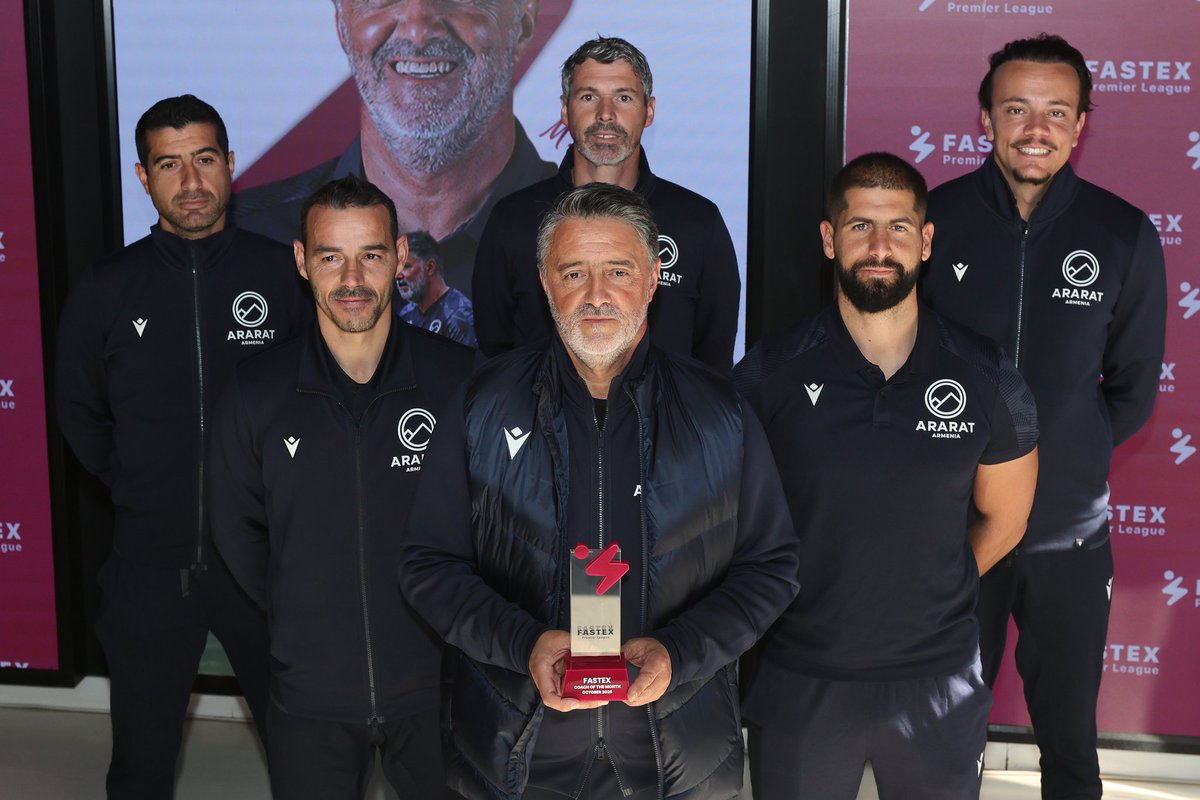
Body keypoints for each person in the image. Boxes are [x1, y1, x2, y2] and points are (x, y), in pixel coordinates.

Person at [399, 183, 799, 800]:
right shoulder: (482, 405)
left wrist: (679, 651)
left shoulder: (721, 414)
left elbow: (771, 569)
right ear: (543, 280)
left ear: (653, 277)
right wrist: (523, 643)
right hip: (518, 756)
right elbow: (429, 567)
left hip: (676, 758)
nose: (596, 295)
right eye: (573, 272)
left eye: (618, 270)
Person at [734, 152, 1040, 799]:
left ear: (926, 241)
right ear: (829, 238)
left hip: (938, 679)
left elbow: (1007, 518)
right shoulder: (771, 374)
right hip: (800, 677)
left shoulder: (986, 376)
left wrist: (928, 585)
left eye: (898, 227)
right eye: (859, 226)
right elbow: (733, 520)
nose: (879, 246)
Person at [921, 34, 1167, 799]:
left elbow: (1130, 390)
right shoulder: (932, 221)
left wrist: (1063, 454)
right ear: (985, 119)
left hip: (1069, 535)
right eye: (1017, 109)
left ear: (1081, 122)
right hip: (951, 533)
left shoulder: (1122, 233)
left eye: (1056, 112)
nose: (1036, 127)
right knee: (941, 735)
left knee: (1070, 740)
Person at [55, 94, 311, 798]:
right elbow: (77, 409)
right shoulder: (108, 288)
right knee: (139, 763)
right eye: (169, 164)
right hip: (149, 566)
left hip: (264, 566)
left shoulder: (283, 275)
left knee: (306, 759)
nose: (190, 180)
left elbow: (320, 402)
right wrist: (139, 484)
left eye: (204, 160)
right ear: (143, 177)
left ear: (230, 165)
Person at [210, 175, 474, 798]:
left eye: (372, 256)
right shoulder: (257, 391)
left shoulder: (459, 380)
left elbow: (491, 524)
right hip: (310, 695)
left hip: (441, 689)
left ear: (401, 258)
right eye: (331, 256)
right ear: (302, 261)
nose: (352, 278)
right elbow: (237, 533)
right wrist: (305, 614)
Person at [231, 0, 556, 301]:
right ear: (342, 24)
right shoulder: (240, 241)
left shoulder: (598, 234)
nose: (417, 29)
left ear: (524, 23)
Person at [472, 36, 741, 371]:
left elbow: (712, 365)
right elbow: (494, 354)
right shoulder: (513, 220)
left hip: (667, 422)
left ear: (649, 110)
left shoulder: (698, 223)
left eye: (624, 98)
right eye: (588, 97)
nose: (606, 115)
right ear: (564, 110)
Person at [396, 230, 477, 347]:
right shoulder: (407, 313)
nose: (398, 275)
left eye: (406, 266)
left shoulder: (458, 316)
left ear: (429, 267)